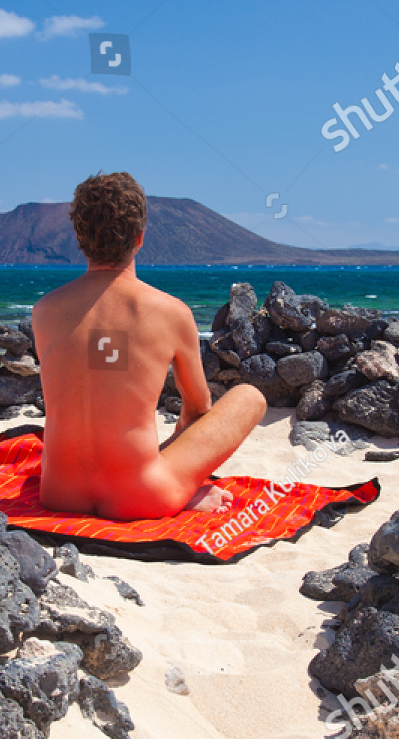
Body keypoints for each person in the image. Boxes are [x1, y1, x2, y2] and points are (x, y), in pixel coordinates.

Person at [32, 172, 267, 520]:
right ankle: (180, 488)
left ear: (79, 239)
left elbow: (93, 372)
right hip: (141, 498)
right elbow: (197, 408)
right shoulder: (171, 313)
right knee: (249, 396)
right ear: (140, 238)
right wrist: (179, 461)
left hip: (58, 493)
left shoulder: (45, 310)